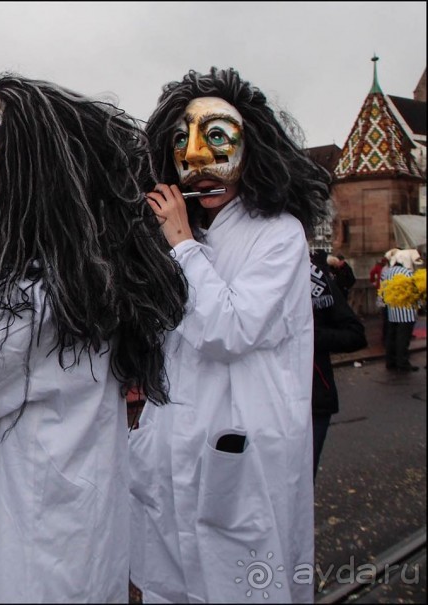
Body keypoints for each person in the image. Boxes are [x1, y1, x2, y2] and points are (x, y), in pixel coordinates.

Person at [0, 73, 188, 603]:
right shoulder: (63, 276)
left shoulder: (39, 295)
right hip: (32, 530)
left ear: (29, 168)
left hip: (36, 552)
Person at [129, 67, 333, 603]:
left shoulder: (278, 234)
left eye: (215, 137)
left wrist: (181, 244)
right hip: (175, 445)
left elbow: (229, 329)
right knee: (173, 580)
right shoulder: (186, 235)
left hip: (239, 453)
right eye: (181, 141)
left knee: (239, 578)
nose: (196, 157)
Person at [310, 250, 367, 479]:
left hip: (313, 404)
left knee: (296, 490)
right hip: (261, 406)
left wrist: (307, 335)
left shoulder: (314, 278)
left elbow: (355, 335)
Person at [380, 248, 423, 372]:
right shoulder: (407, 273)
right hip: (406, 311)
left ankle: (390, 361)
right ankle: (402, 363)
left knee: (391, 337)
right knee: (403, 339)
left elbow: (382, 290)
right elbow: (414, 291)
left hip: (392, 310)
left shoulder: (387, 272)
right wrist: (419, 305)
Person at [369, 254, 389, 342]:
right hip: (383, 290)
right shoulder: (380, 267)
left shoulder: (381, 267)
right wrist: (373, 282)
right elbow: (372, 273)